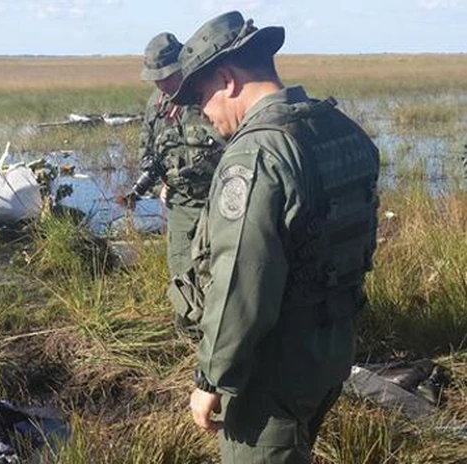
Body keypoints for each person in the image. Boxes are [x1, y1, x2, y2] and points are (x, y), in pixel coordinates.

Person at [171, 11, 380, 463]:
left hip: (272, 367)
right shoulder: (343, 130)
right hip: (331, 349)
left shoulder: (256, 154)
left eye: (203, 96)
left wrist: (211, 379)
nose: (204, 115)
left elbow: (241, 283)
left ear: (227, 80)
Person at [138, 32, 224, 337]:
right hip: (180, 207)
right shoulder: (156, 105)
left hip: (219, 201)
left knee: (221, 271)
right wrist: (157, 184)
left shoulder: (207, 94)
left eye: (167, 76)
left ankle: (222, 340)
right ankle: (192, 338)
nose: (162, 84)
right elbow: (147, 154)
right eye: (156, 79)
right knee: (183, 273)